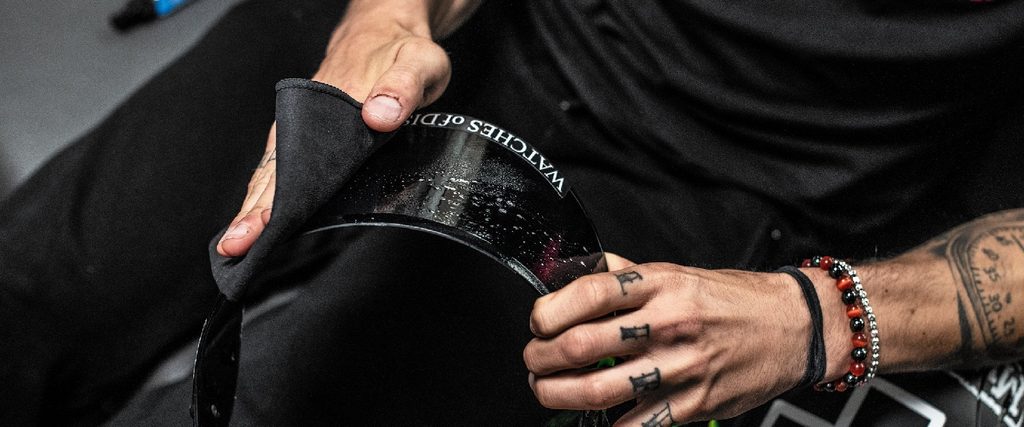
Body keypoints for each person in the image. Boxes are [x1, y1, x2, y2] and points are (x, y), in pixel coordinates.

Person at [3, 0, 1024, 425]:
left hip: (717, 172)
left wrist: (823, 317)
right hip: (468, 26)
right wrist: (388, 13)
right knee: (34, 285)